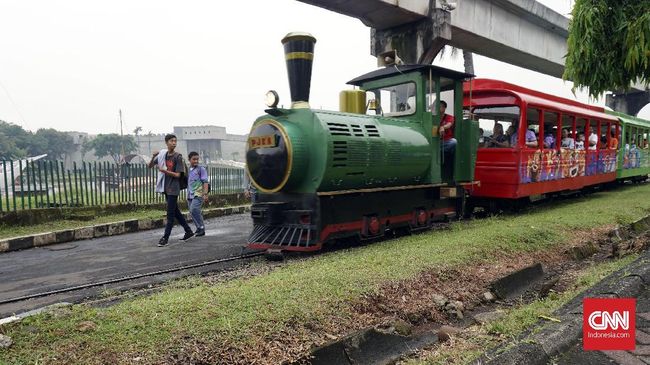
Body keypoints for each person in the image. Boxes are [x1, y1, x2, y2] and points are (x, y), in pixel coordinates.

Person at [148, 134, 194, 247]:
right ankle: (188, 231)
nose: (174, 143)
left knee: (170, 214)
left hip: (173, 187)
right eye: (171, 141)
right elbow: (149, 166)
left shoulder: (178, 157)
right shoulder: (163, 155)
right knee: (176, 212)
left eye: (175, 141)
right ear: (166, 142)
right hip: (165, 187)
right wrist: (153, 157)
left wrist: (164, 171)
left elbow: (178, 175)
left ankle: (165, 238)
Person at [187, 151, 209, 237]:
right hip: (190, 194)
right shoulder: (188, 170)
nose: (196, 161)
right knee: (192, 212)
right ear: (189, 160)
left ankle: (202, 228)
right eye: (194, 159)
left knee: (194, 209)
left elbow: (205, 182)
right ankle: (198, 228)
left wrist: (205, 194)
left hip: (199, 194)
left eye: (197, 159)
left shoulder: (201, 169)